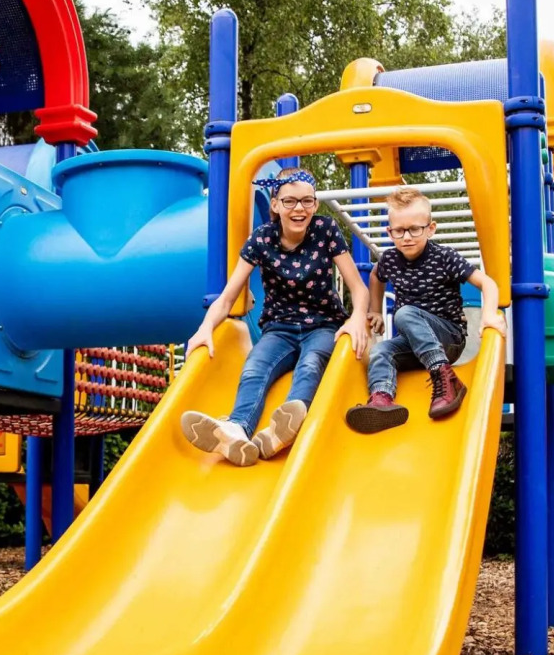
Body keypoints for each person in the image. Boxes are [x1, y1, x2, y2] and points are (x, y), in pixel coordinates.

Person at [181, 167, 370, 466]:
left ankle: (282, 430)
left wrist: (358, 317)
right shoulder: (262, 239)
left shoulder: (325, 230)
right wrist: (205, 328)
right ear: (275, 204)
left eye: (307, 201)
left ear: (315, 204)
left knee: (311, 364)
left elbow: (358, 288)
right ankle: (237, 429)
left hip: (323, 325)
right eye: (290, 201)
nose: (299, 209)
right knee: (254, 368)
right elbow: (227, 297)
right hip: (279, 328)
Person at [345, 186, 506, 434]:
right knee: (381, 350)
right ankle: (382, 399)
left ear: (430, 229)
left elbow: (487, 283)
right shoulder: (390, 260)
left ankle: (444, 376)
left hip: (448, 339)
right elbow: (376, 275)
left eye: (415, 229)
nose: (407, 237)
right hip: (413, 344)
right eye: (399, 230)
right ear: (390, 232)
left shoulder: (444, 257)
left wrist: (489, 315)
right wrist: (375, 310)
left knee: (404, 313)